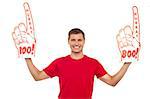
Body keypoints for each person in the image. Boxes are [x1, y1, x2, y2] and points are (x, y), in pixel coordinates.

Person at [25, 28, 131, 99]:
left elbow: (112, 82)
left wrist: (127, 62)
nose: (76, 43)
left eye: (79, 40)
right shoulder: (59, 63)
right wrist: (27, 56)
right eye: (73, 40)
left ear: (84, 41)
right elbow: (37, 76)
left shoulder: (93, 63)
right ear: (68, 41)